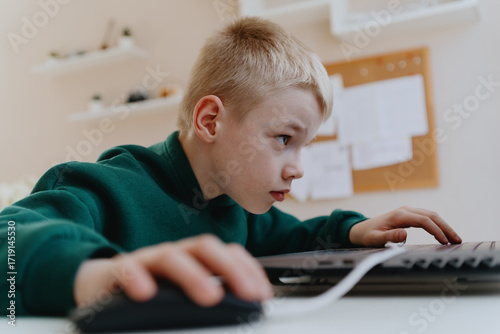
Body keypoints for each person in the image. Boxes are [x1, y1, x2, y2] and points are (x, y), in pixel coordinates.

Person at [0, 17, 461, 316]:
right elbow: (11, 239)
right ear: (210, 120)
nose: (297, 168)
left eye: (304, 146)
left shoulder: (235, 208)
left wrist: (355, 230)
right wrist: (98, 276)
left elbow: (297, 237)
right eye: (284, 139)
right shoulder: (102, 187)